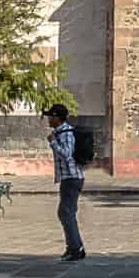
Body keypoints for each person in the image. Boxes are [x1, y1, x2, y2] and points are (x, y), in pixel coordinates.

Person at [45, 103, 86, 260]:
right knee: (66, 213)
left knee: (66, 213)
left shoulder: (66, 134)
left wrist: (53, 142)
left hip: (72, 178)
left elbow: (67, 155)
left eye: (50, 116)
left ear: (57, 118)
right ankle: (74, 247)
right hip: (68, 178)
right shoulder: (59, 132)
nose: (48, 119)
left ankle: (76, 249)